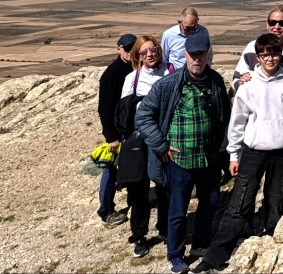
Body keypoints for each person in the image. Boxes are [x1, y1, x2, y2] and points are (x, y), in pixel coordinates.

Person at [192, 34, 283, 273]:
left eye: (274, 53)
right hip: (253, 151)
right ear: (258, 57)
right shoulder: (248, 85)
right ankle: (215, 256)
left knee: (276, 200)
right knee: (239, 203)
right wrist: (233, 155)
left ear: (280, 55)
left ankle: (270, 247)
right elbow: (237, 124)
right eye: (265, 54)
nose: (271, 59)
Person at [134, 32, 231, 274]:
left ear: (208, 55)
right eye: (192, 55)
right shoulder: (168, 84)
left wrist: (223, 150)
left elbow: (224, 118)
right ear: (185, 55)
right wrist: (161, 145)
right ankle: (175, 255)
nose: (197, 59)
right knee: (178, 211)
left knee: (209, 203)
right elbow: (143, 116)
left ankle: (200, 244)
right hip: (179, 161)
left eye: (201, 54)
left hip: (208, 159)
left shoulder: (216, 82)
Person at [120, 34, 170, 255]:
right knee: (139, 188)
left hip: (164, 136)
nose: (150, 54)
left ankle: (165, 228)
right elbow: (124, 112)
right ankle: (139, 235)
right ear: (137, 56)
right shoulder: (132, 79)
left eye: (154, 49)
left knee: (164, 185)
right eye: (145, 51)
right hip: (139, 139)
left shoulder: (170, 72)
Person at [97, 32, 136, 225]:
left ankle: (133, 196)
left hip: (132, 127)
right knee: (110, 170)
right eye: (127, 49)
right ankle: (106, 210)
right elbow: (104, 108)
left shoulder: (139, 67)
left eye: (133, 48)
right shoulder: (111, 74)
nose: (130, 52)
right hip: (117, 131)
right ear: (118, 49)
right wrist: (110, 135)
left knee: (133, 164)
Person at [232, 5, 283, 93]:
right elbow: (236, 80)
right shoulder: (252, 47)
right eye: (272, 22)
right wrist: (240, 82)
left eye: (282, 23)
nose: (277, 27)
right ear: (267, 24)